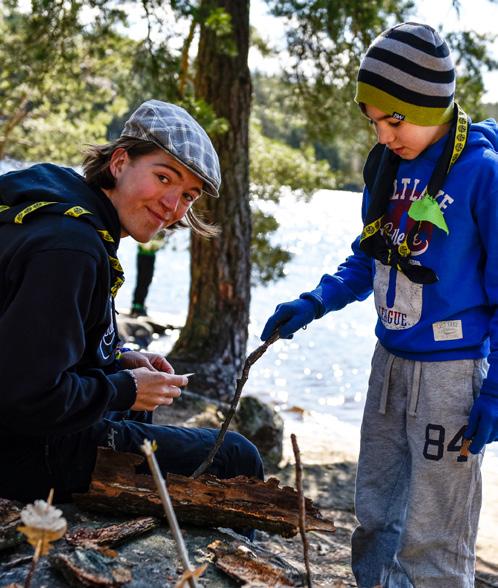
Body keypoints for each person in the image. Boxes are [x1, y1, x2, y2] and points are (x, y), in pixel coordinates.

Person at [261, 23, 498, 588]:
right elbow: (370, 258)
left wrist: (494, 390)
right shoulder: (385, 167)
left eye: (395, 119)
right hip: (386, 366)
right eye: (372, 121)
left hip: (451, 376)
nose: (384, 133)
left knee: (434, 538)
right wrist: (315, 301)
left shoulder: (482, 175)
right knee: (375, 518)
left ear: (434, 104)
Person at [0, 99, 263, 505]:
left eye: (188, 196)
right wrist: (123, 388)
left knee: (138, 409)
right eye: (163, 178)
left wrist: (120, 360)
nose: (172, 207)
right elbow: (28, 397)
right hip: (21, 450)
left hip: (25, 433)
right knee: (236, 456)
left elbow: (35, 345)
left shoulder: (68, 207)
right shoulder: (71, 249)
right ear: (120, 162)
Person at [129, 231, 167, 318]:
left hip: (149, 256)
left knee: (145, 281)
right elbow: (147, 244)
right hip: (145, 256)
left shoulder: (158, 233)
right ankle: (137, 306)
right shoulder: (150, 232)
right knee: (143, 281)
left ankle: (139, 305)